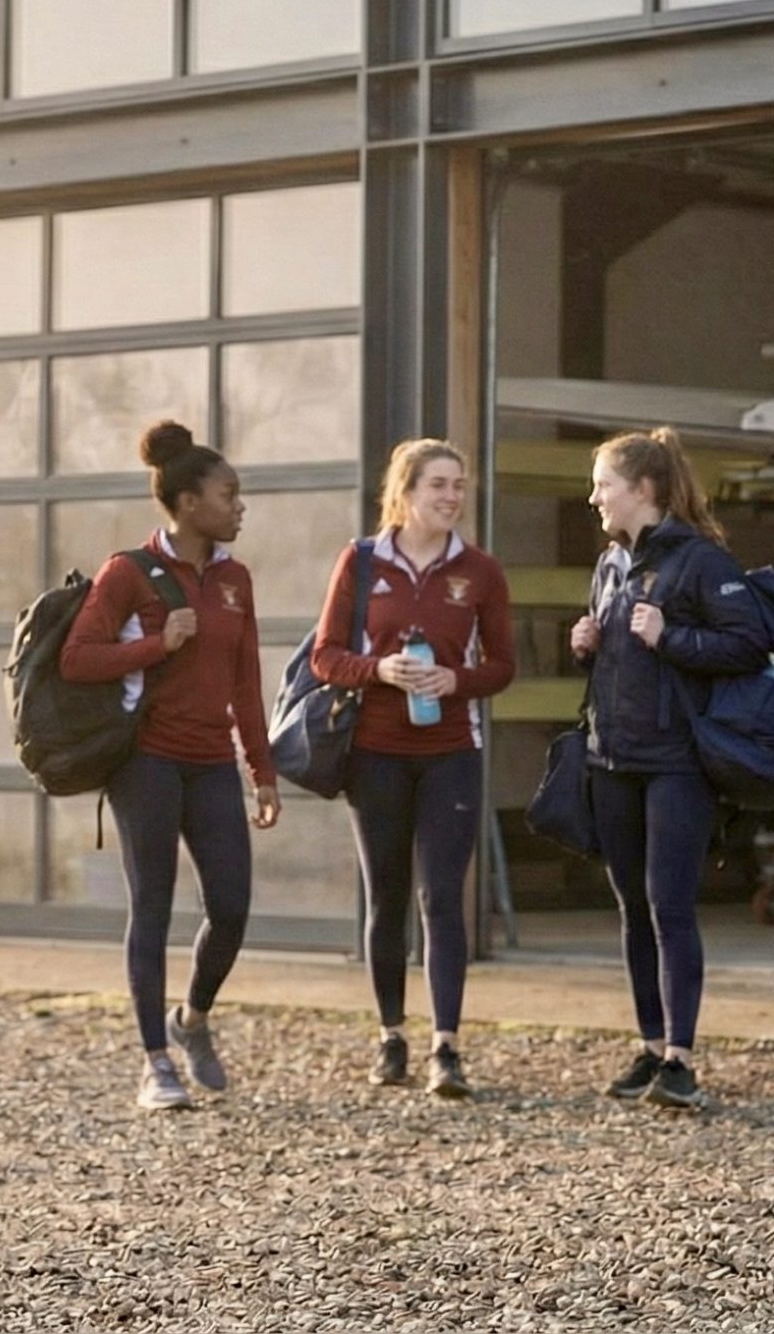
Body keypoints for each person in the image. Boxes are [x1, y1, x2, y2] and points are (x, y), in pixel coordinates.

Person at [60, 421, 280, 1111]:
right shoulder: (130, 572)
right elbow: (77, 658)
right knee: (151, 906)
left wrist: (262, 770)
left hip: (213, 761)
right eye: (228, 493)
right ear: (188, 503)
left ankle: (191, 1019)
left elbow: (245, 680)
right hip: (147, 762)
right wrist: (156, 644)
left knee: (232, 908)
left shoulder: (236, 579)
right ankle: (154, 1063)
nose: (239, 505)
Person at [569, 427, 767, 1111]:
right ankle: (651, 1046)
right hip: (612, 758)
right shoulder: (609, 565)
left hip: (677, 764)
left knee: (669, 906)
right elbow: (621, 658)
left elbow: (748, 645)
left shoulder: (702, 562)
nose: (593, 496)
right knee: (631, 907)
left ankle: (681, 1060)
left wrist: (672, 637)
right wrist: (586, 643)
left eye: (604, 484)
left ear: (643, 491)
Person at [308, 439, 514, 1097]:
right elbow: (325, 657)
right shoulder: (362, 562)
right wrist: (380, 671)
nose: (452, 497)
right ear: (406, 491)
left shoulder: (480, 572)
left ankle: (445, 1047)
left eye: (458, 485)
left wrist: (454, 678)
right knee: (388, 894)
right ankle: (391, 1035)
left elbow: (502, 667)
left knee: (442, 898)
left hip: (453, 753)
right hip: (375, 753)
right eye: (438, 485)